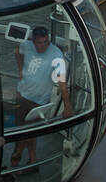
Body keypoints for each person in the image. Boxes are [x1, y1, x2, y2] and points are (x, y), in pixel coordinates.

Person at [12, 26, 72, 169]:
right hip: (22, 95)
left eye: (45, 42)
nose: (42, 45)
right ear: (33, 41)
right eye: (39, 42)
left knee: (28, 133)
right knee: (22, 131)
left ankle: (16, 158)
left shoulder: (56, 55)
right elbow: (17, 51)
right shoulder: (27, 46)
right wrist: (20, 70)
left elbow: (62, 83)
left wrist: (68, 106)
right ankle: (33, 161)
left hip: (38, 102)